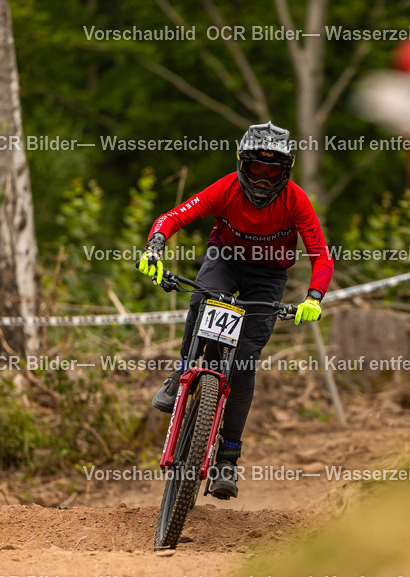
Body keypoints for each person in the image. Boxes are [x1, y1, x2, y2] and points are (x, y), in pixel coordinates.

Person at [137, 122, 333, 499]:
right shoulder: (225, 189)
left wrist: (313, 297)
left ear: (284, 173)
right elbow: (173, 217)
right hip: (224, 259)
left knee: (243, 363)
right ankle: (181, 373)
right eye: (256, 169)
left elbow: (320, 254)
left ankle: (228, 458)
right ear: (243, 165)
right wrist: (154, 248)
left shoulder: (295, 200)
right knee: (201, 300)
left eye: (271, 171)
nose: (262, 179)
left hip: (269, 277)